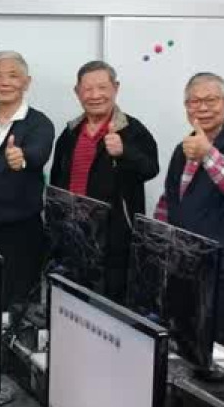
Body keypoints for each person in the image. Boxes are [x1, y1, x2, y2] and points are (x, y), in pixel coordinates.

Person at [155, 72, 224, 345]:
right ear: (186, 107)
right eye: (194, 101)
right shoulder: (183, 148)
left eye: (211, 100)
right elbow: (169, 202)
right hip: (187, 269)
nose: (202, 108)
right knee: (187, 347)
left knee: (220, 354)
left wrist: (208, 154)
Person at [49, 60, 159, 303]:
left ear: (115, 88)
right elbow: (56, 182)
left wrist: (124, 152)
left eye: (102, 87)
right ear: (77, 92)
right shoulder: (69, 133)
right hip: (72, 238)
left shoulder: (132, 130)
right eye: (87, 89)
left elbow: (151, 169)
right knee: (71, 303)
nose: (95, 95)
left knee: (108, 309)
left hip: (114, 243)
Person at [0, 51, 54, 309]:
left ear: (27, 82)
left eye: (13, 76)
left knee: (17, 308)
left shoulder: (39, 123)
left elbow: (39, 152)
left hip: (20, 232)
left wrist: (22, 158)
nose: (5, 82)